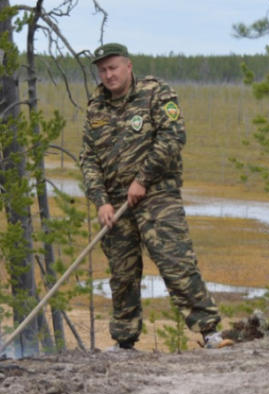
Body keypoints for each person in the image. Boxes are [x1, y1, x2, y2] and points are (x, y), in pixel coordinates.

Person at [79, 43, 224, 351]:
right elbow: (88, 158)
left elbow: (173, 136)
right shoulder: (96, 107)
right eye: (103, 70)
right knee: (122, 275)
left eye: (113, 68)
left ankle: (210, 332)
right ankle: (124, 343)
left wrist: (143, 179)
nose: (108, 75)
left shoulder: (156, 93)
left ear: (128, 66)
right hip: (116, 204)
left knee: (176, 262)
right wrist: (101, 201)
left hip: (157, 195)